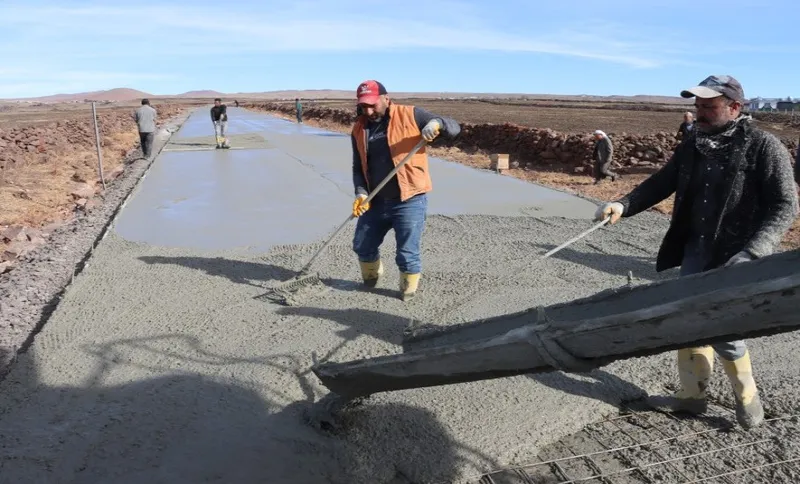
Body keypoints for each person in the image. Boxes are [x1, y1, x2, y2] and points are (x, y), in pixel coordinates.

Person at [594, 75, 799, 429]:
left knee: (725, 329)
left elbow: (784, 205)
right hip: (695, 250)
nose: (700, 112)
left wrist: (754, 252)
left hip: (738, 257)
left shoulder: (764, 146)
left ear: (735, 107)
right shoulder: (693, 143)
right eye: (698, 106)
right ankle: (692, 398)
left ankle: (748, 401)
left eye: (709, 106)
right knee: (687, 320)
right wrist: (624, 205)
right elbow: (663, 180)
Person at [350, 80, 461, 301]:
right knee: (362, 244)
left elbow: (454, 127)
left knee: (407, 253)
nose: (369, 111)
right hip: (376, 199)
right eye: (364, 106)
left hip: (409, 199)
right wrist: (361, 192)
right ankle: (372, 278)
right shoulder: (359, 129)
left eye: (373, 105)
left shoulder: (411, 115)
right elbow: (358, 166)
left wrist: (437, 124)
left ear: (386, 99)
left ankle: (407, 293)